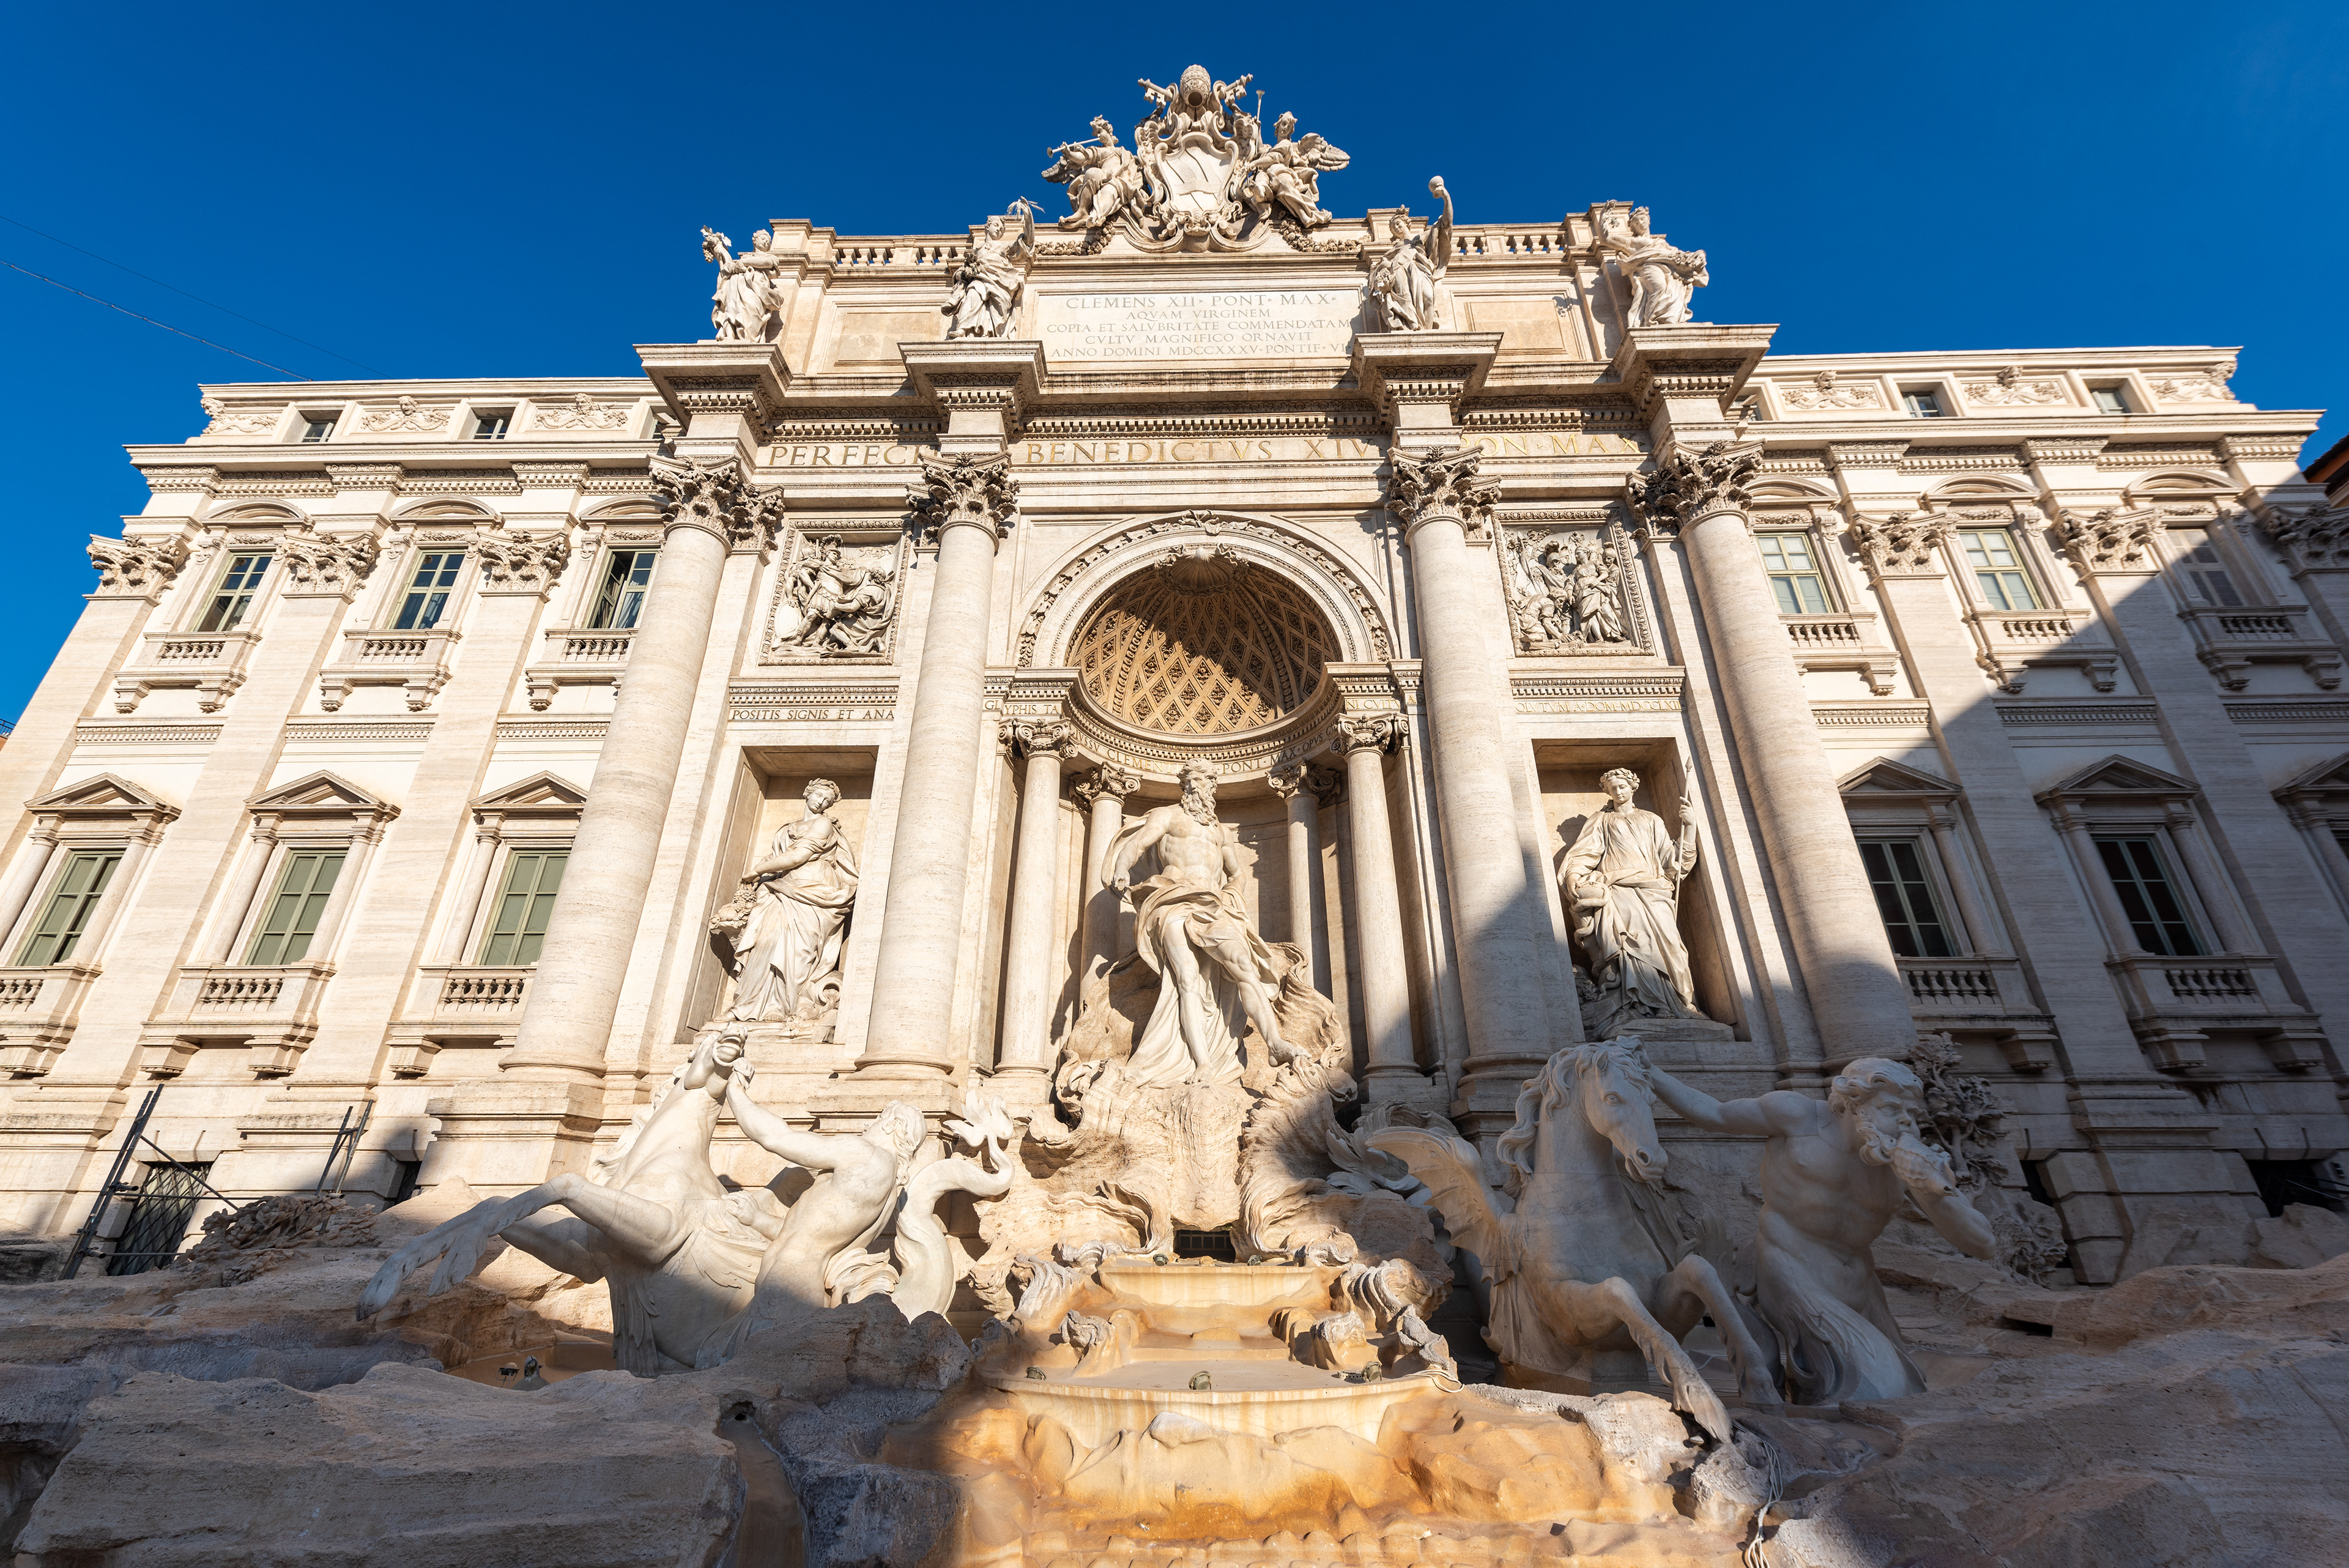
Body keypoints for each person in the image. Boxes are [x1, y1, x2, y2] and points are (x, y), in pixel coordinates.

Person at [1639, 1053, 1996, 1403]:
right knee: (1883, 1387)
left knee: (1903, 1390)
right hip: (1791, 1267)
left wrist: (1934, 1190)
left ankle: (1807, 1394)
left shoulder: (1907, 1157)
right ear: (1852, 1105)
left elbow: (1982, 1245)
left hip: (1861, 1284)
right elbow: (1714, 1114)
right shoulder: (1797, 1117)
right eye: (1891, 1110)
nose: (1906, 1123)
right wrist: (1649, 1069)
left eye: (1912, 1114)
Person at [1104, 763, 1299, 1085]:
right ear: (1186, 786)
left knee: (1244, 966)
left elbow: (1237, 874)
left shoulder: (1220, 831)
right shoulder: (1166, 816)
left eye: (1209, 782)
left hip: (1213, 906)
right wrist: (1123, 869)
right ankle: (1203, 1063)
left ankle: (1275, 1043)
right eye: (1196, 781)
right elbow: (1135, 846)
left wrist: (1232, 896)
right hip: (1172, 901)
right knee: (1187, 979)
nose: (1203, 788)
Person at [1562, 768, 1702, 1035]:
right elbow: (1585, 854)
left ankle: (1676, 1004)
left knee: (1670, 947)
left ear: (1633, 787)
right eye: (1613, 788)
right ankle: (1637, 1005)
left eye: (1622, 787)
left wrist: (1691, 826)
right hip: (1619, 892)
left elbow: (1673, 862)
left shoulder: (1652, 820)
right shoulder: (1601, 820)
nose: (1618, 792)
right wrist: (1574, 874)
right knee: (1630, 947)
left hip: (1653, 892)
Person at [717, 780, 858, 1031]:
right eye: (819, 796)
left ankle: (782, 1007)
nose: (822, 803)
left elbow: (798, 856)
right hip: (782, 888)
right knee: (766, 942)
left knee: (798, 950)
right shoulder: (787, 829)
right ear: (807, 793)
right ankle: (747, 1005)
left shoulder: (823, 824)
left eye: (828, 801)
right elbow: (780, 859)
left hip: (814, 889)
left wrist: (758, 870)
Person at [1367, 177, 1453, 331]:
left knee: (1428, 298)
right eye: (1393, 228)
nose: (1397, 228)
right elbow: (1379, 270)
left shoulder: (1422, 238)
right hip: (1399, 269)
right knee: (1406, 300)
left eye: (1398, 224)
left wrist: (1446, 198)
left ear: (1406, 222)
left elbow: (1446, 225)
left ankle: (1426, 332)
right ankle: (1411, 325)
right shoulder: (1393, 251)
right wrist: (1386, 268)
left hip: (1420, 269)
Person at [944, 201, 1035, 340]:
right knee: (973, 294)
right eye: (996, 225)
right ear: (988, 226)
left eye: (1002, 229)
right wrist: (965, 273)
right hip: (979, 279)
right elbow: (961, 271)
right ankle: (963, 329)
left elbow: (1027, 241)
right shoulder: (976, 251)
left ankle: (990, 330)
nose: (999, 230)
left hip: (997, 280)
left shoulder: (1003, 246)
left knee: (987, 300)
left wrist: (1028, 219)